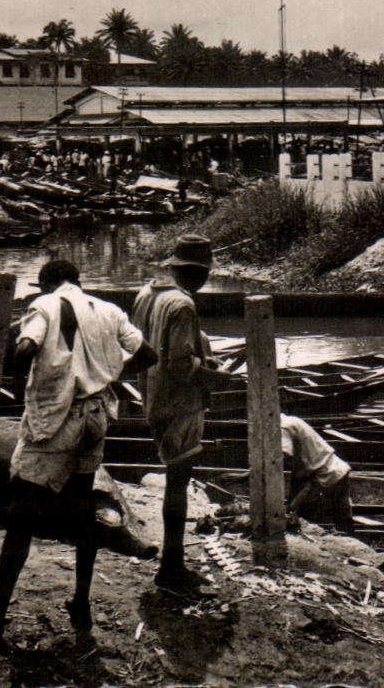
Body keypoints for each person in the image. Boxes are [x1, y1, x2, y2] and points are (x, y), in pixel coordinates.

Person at [0, 259, 145, 651]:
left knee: (21, 518)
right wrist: (110, 375)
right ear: (78, 280)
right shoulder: (108, 310)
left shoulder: (44, 307)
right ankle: (81, 604)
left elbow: (26, 347)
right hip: (96, 417)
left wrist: (23, 381)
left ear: (45, 284)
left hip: (57, 422)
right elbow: (148, 354)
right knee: (82, 509)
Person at [132, 234, 240, 593]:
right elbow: (179, 364)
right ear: (199, 274)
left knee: (174, 476)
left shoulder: (146, 295)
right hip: (178, 402)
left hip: (152, 397)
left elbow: (145, 349)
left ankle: (172, 564)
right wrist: (214, 376)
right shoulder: (183, 305)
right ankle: (172, 567)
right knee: (178, 481)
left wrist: (200, 359)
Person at [279, 413, 354, 532]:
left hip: (324, 476)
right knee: (343, 520)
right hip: (338, 470)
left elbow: (282, 455)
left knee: (310, 521)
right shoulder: (292, 419)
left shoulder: (283, 427)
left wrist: (256, 472)